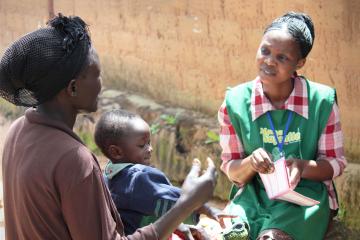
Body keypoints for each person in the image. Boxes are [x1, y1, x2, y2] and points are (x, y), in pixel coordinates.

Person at [0, 14, 216, 240]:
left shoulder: (19, 130)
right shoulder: (74, 160)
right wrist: (186, 203)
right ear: (73, 88)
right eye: (97, 74)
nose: (102, 84)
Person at [217, 12, 347, 240]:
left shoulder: (321, 101)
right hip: (254, 195)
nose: (269, 61)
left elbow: (335, 163)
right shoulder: (235, 103)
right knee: (231, 235)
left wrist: (302, 166)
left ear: (300, 63)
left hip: (304, 198)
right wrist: (250, 163)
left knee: (273, 238)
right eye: (265, 51)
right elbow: (232, 169)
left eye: (282, 57)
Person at [94, 109, 230, 239]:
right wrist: (208, 209)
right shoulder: (139, 178)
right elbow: (177, 202)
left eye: (149, 142)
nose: (150, 149)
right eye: (142, 145)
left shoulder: (108, 175)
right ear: (116, 152)